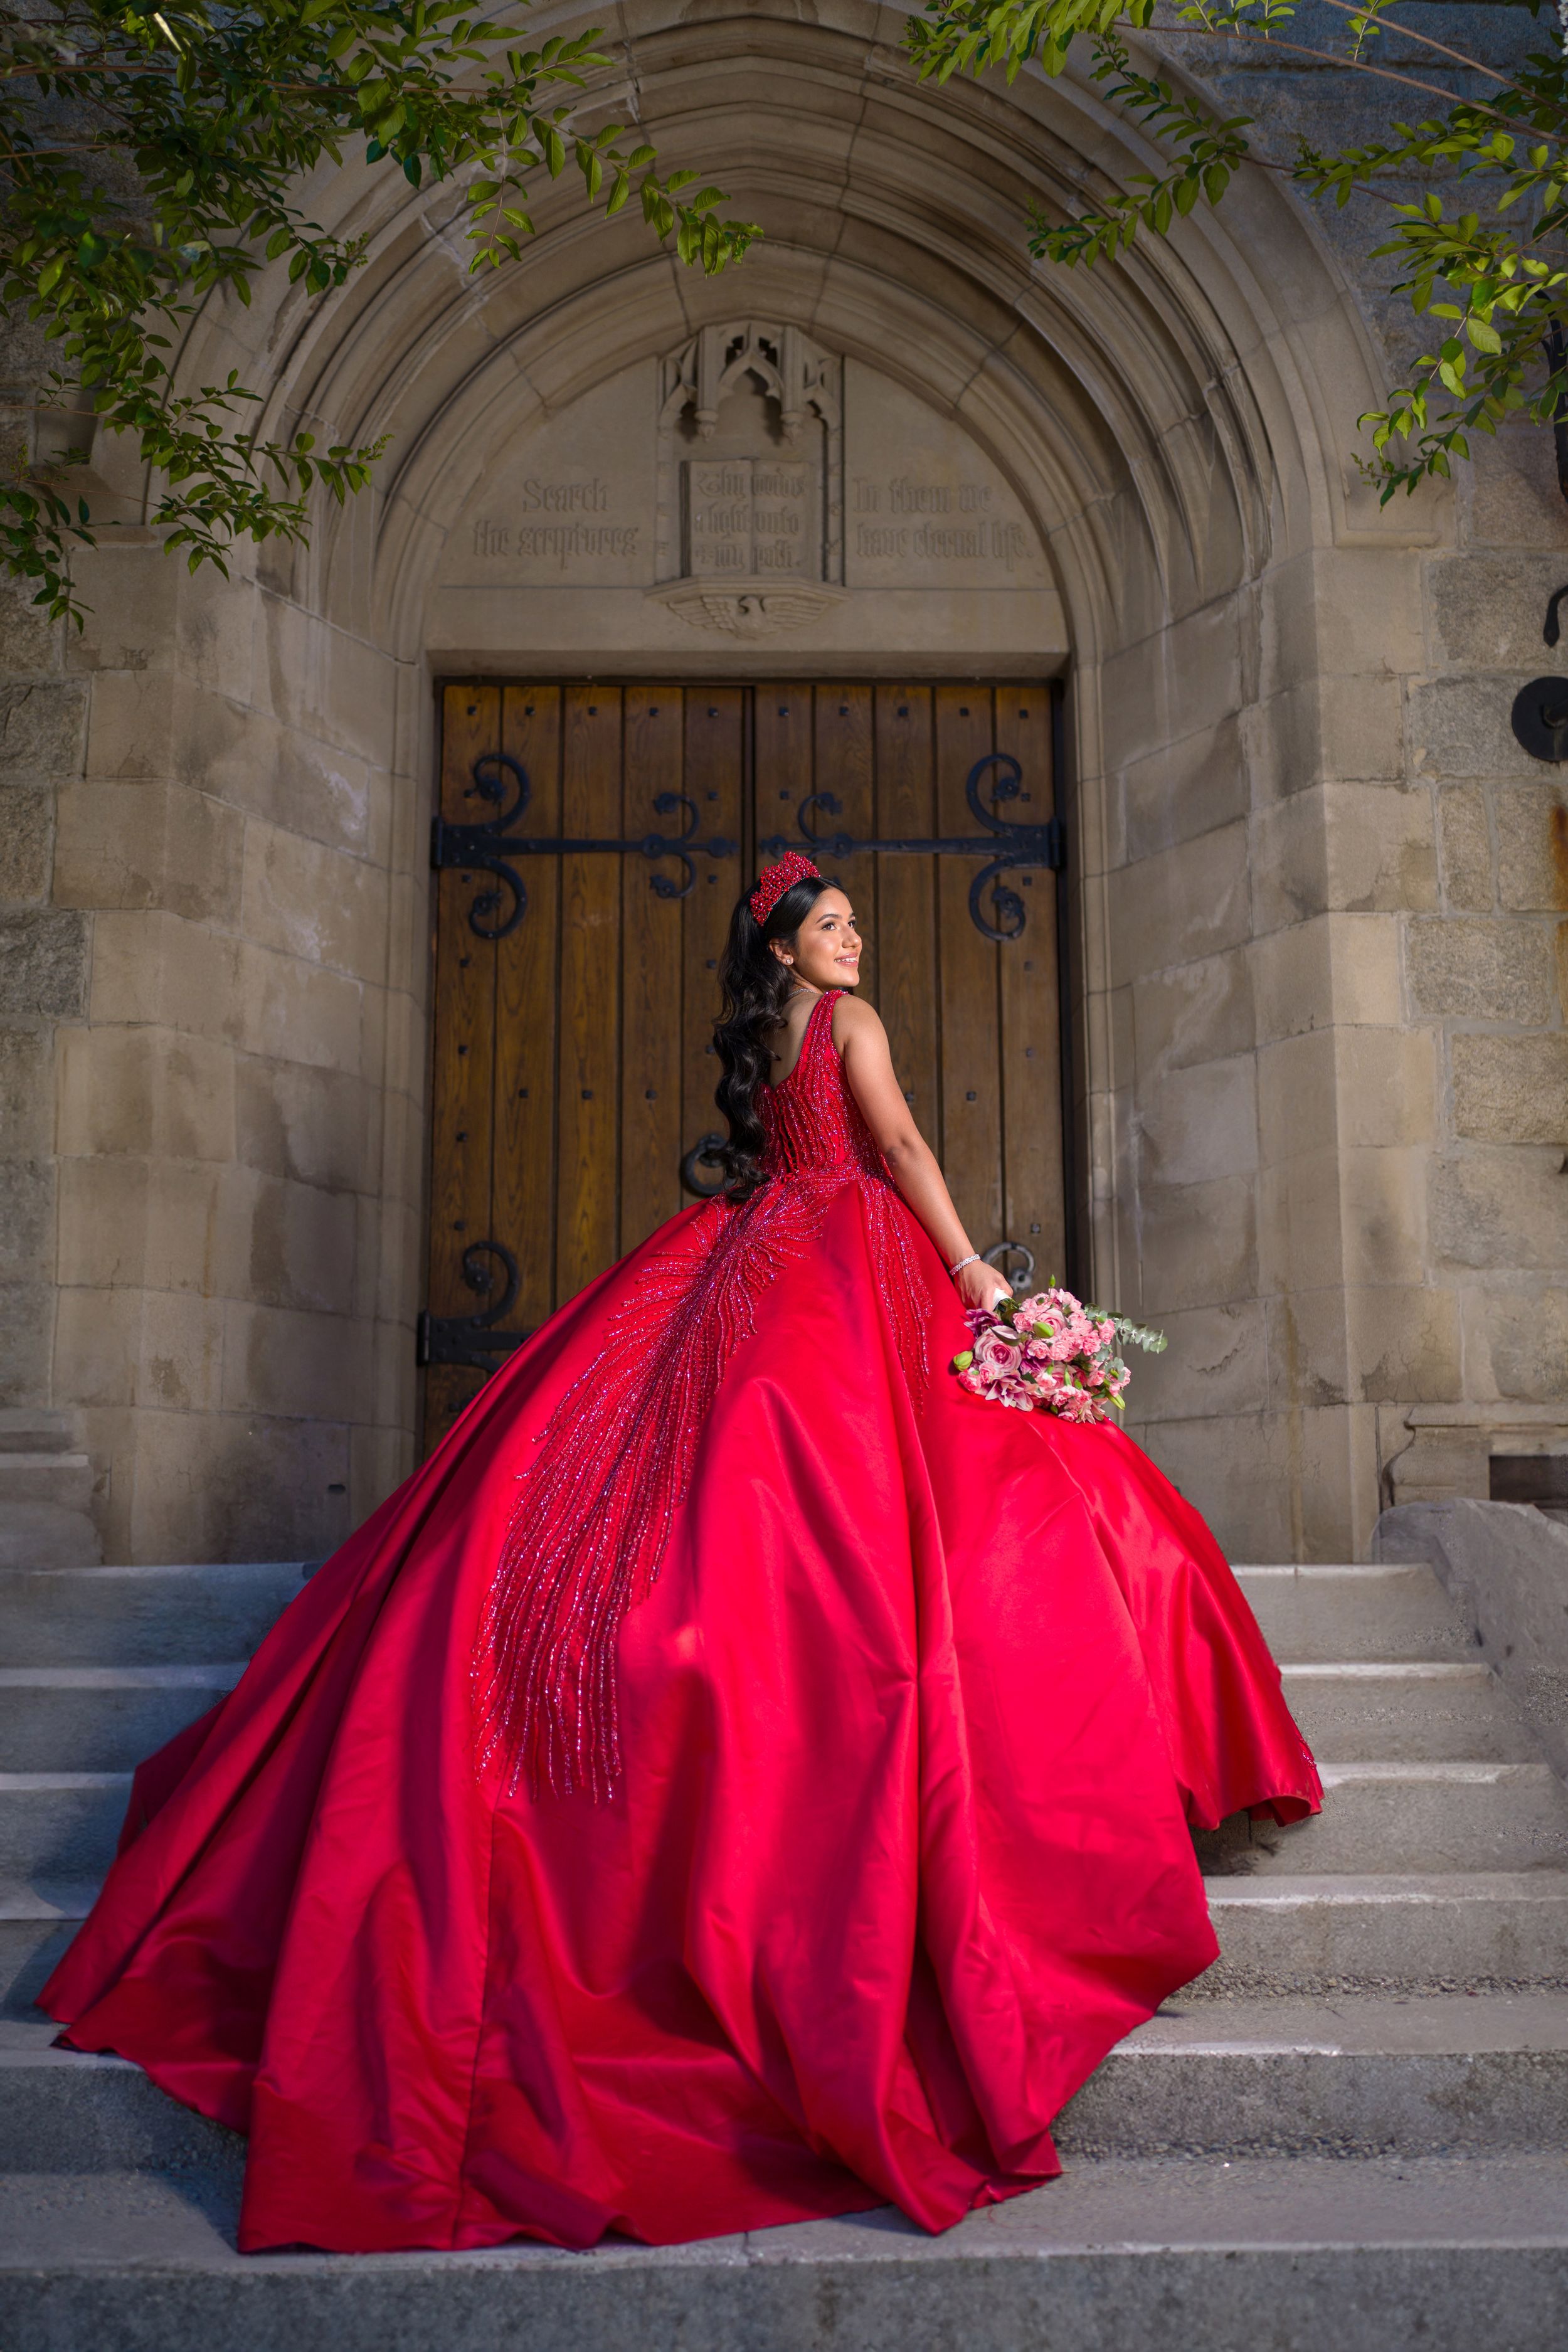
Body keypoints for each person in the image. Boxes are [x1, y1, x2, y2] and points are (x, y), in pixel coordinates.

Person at [42, 850, 1320, 2255]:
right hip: (850, 1254)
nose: (850, 941)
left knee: (712, 1467)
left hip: (758, 1249)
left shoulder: (771, 1032)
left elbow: (806, 1145)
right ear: (784, 947)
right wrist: (974, 1277)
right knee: (951, 1490)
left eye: (850, 928)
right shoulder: (852, 1023)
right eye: (827, 927)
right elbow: (894, 1152)